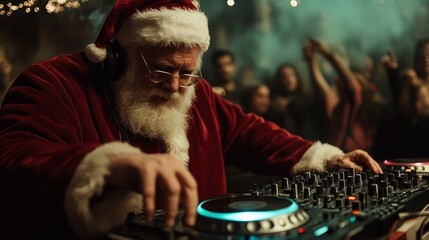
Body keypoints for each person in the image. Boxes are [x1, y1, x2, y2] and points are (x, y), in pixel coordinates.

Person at [0, 0, 382, 239]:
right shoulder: (51, 83)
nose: (176, 87)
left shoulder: (191, 92)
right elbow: (14, 159)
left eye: (188, 73)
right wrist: (108, 166)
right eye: (162, 71)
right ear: (118, 57)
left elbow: (248, 131)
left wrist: (327, 158)